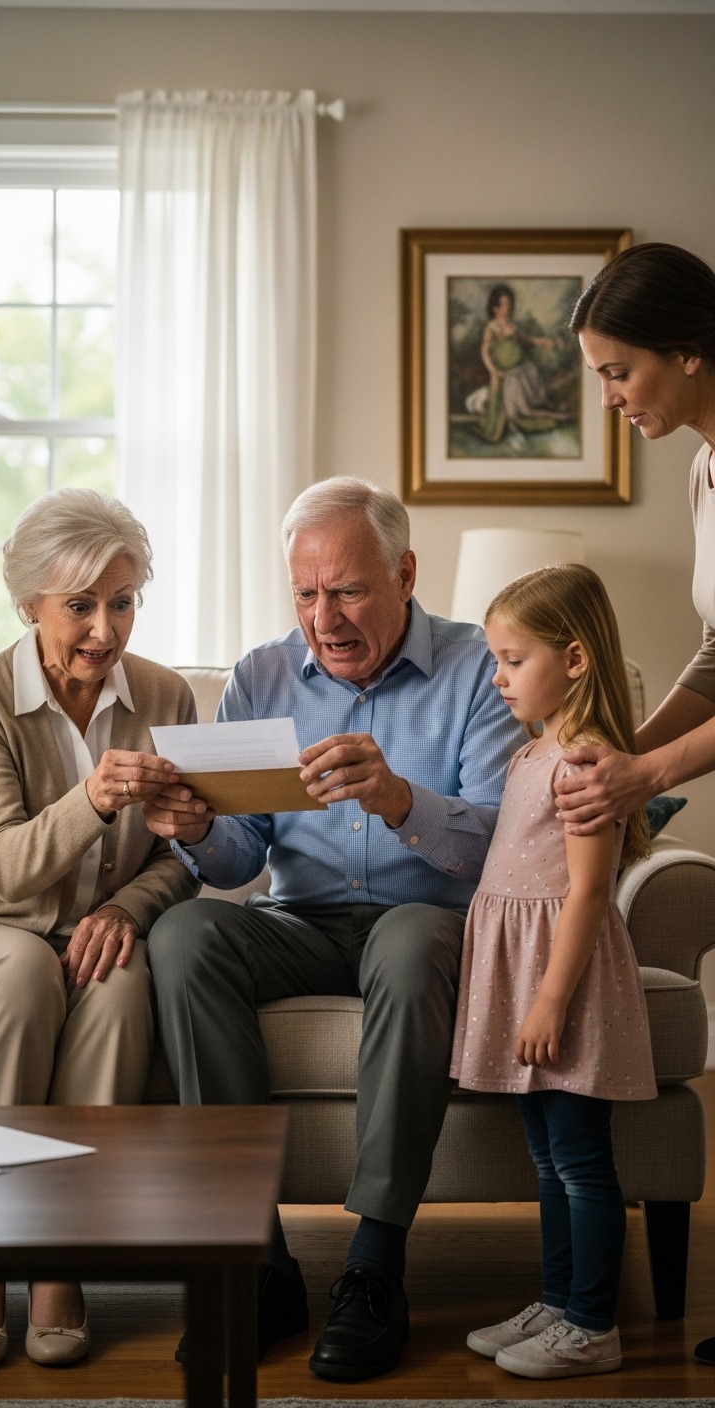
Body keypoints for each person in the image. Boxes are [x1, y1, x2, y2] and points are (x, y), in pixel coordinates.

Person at [143, 476, 523, 1382]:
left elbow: (503, 851)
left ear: (404, 573)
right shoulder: (261, 678)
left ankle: (374, 1265)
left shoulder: (480, 668)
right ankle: (258, 1263)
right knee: (185, 935)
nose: (326, 616)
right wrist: (196, 828)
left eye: (348, 590)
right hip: (299, 920)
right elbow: (239, 861)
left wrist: (399, 800)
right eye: (307, 594)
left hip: (423, 917)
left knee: (413, 939)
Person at [0, 487, 199, 1369]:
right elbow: (3, 869)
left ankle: (61, 1259)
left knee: (122, 979)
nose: (105, 628)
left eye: (122, 602)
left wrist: (129, 906)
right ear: (29, 605)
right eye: (80, 606)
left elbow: (183, 857)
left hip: (93, 927)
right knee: (22, 971)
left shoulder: (166, 695)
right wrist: (93, 797)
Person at [553, 243, 715, 1368]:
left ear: (690, 352)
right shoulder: (706, 468)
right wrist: (627, 751)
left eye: (619, 373)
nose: (610, 400)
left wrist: (648, 777)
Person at [451, 563, 656, 1380]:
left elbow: (587, 894)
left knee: (580, 1161)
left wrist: (548, 1001)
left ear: (573, 659)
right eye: (494, 660)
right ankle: (559, 1297)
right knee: (547, 1160)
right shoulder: (532, 754)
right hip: (524, 976)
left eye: (513, 659)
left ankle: (593, 1325)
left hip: (560, 983)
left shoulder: (585, 762)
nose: (497, 678)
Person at [473, 283, 563, 444]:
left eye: (510, 304)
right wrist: (493, 370)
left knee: (525, 409)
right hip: (504, 375)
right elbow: (484, 352)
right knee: (513, 413)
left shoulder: (513, 326)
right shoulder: (492, 327)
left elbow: (526, 340)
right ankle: (511, 429)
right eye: (504, 304)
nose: (508, 308)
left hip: (520, 372)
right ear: (495, 308)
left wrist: (544, 342)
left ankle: (549, 416)